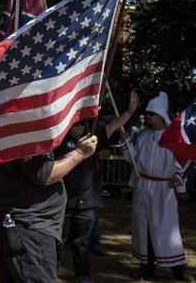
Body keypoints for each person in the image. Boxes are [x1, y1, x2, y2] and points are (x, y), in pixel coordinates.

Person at [0, 132, 98, 282]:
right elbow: (45, 173)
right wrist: (79, 153)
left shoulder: (3, 127)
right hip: (29, 230)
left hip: (15, 226)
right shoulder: (24, 129)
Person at [57, 92, 138, 283]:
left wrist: (128, 112)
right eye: (76, 125)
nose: (79, 128)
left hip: (87, 201)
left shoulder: (92, 140)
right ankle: (52, 270)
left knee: (82, 242)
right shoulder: (59, 142)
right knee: (58, 240)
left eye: (82, 124)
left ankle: (83, 274)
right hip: (63, 200)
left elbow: (111, 126)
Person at [130, 91, 193, 281]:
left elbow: (181, 161)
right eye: (147, 114)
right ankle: (146, 267)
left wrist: (178, 178)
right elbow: (134, 160)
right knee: (143, 227)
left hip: (163, 189)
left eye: (151, 114)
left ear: (160, 115)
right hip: (143, 186)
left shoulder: (172, 137)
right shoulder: (142, 136)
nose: (147, 117)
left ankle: (178, 269)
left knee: (166, 228)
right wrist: (126, 144)